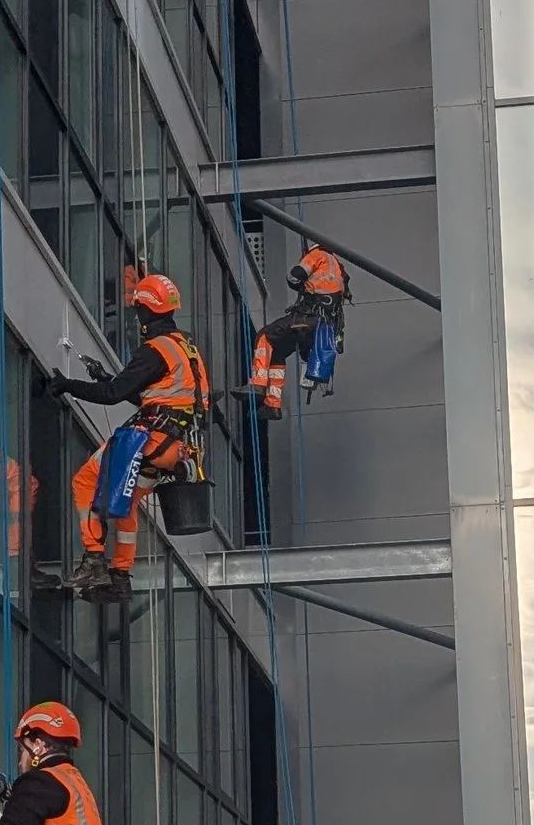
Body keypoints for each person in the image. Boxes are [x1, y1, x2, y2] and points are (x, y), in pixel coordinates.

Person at [44, 271, 211, 603]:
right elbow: (153, 396)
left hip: (149, 439)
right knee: (127, 504)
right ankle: (119, 577)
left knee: (84, 481)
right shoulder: (185, 349)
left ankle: (93, 559)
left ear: (146, 311)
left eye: (138, 311)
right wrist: (108, 378)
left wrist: (68, 385)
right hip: (176, 449)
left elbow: (111, 394)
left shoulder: (154, 350)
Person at [249, 244, 348, 416]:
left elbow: (294, 276)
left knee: (264, 336)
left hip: (307, 318)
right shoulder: (338, 267)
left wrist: (302, 285)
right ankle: (272, 405)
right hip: (323, 326)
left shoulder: (317, 255)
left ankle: (257, 383)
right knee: (277, 351)